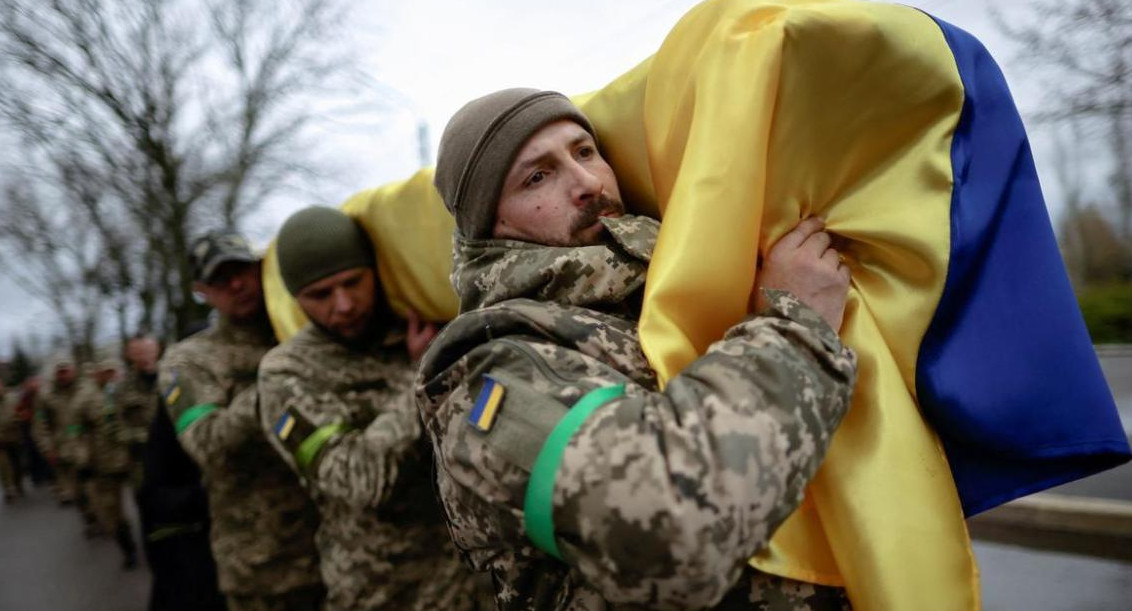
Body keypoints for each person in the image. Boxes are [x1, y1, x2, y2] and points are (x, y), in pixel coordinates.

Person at [417, 88, 859, 610]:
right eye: (537, 177)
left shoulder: (676, 284)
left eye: (584, 151)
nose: (586, 183)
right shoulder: (486, 373)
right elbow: (671, 531)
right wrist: (797, 327)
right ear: (491, 222)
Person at [257, 206, 483, 610]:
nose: (343, 305)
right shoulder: (285, 374)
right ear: (297, 299)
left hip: (475, 577)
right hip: (384, 592)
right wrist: (419, 375)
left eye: (352, 282)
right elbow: (358, 479)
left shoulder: (418, 324)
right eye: (320, 295)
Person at [158, 232, 323, 611]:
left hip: (341, 549)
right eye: (221, 278)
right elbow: (206, 440)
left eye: (243, 270)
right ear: (202, 291)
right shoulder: (189, 361)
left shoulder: (298, 329)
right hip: (265, 566)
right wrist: (275, 385)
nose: (236, 284)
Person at [77, 358, 139, 567]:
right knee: (112, 510)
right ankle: (128, 549)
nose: (111, 376)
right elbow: (77, 431)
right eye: (106, 372)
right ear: (98, 374)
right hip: (105, 464)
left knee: (149, 501)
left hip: (133, 458)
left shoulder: (130, 389)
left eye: (114, 371)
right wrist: (83, 458)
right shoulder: (86, 399)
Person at [34, 358, 98, 531]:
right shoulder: (47, 396)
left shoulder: (87, 390)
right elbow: (40, 426)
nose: (63, 375)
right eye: (59, 372)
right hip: (64, 452)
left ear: (73, 370)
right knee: (76, 493)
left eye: (66, 370)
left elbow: (98, 420)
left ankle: (98, 516)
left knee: (93, 488)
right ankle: (88, 517)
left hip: (89, 449)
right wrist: (47, 449)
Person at [0, 379, 25, 502]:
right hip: (1, 442)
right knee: (4, 466)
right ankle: (8, 490)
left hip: (15, 437)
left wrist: (18, 419)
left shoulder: (13, 398)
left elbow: (22, 413)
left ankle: (18, 483)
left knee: (18, 465)